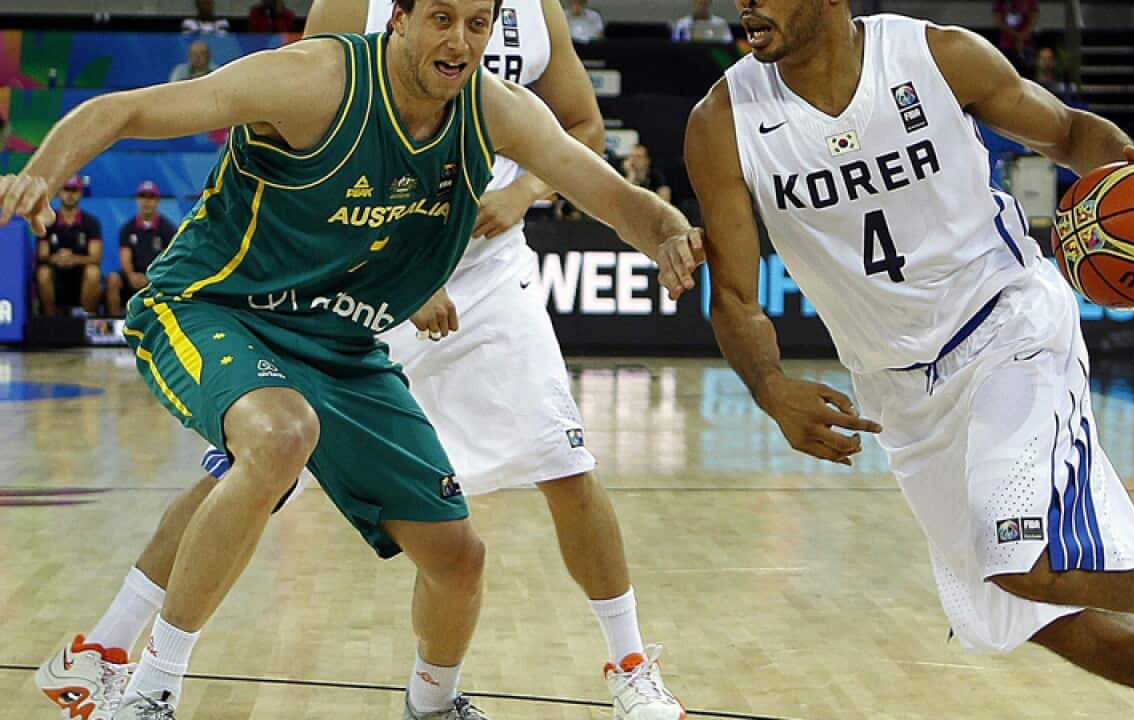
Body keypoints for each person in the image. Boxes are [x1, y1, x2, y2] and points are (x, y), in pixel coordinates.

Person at [7, 1, 703, 718]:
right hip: (217, 305)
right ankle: (149, 691)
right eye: (440, 18)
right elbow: (121, 110)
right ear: (397, 18)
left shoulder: (494, 107)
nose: (460, 41)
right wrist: (40, 175)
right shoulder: (316, 80)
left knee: (457, 556)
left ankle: (431, 705)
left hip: (341, 337)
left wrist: (668, 232)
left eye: (476, 23)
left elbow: (608, 191)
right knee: (280, 439)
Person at [686, 3, 1134, 720]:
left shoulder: (936, 57)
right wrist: (770, 387)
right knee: (1018, 607)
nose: (745, 4)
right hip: (894, 388)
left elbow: (1064, 132)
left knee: (1019, 559)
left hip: (1005, 327)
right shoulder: (722, 122)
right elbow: (737, 297)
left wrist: (1126, 162)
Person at [106, 181, 177, 317]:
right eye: (143, 196)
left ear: (157, 201)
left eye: (151, 197)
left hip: (156, 278)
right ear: (137, 200)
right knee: (113, 279)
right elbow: (125, 258)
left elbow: (170, 261)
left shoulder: (168, 229)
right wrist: (131, 275)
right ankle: (115, 324)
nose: (147, 201)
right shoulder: (127, 228)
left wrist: (151, 278)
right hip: (132, 276)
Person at [34, 176, 102, 317]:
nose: (70, 194)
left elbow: (96, 257)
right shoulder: (47, 222)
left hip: (80, 277)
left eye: (74, 190)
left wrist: (73, 259)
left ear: (81, 193)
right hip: (56, 276)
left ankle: (86, 318)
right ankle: (50, 319)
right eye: (66, 189)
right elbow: (42, 255)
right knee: (43, 273)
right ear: (59, 192)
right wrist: (57, 258)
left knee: (93, 272)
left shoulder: (91, 222)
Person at [993, 0, 1037, 75]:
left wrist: (1022, 36)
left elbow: (1033, 20)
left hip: (1026, 45)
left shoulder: (1030, 1)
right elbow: (999, 22)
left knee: (1026, 74)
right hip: (1006, 46)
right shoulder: (1000, 2)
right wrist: (1017, 36)